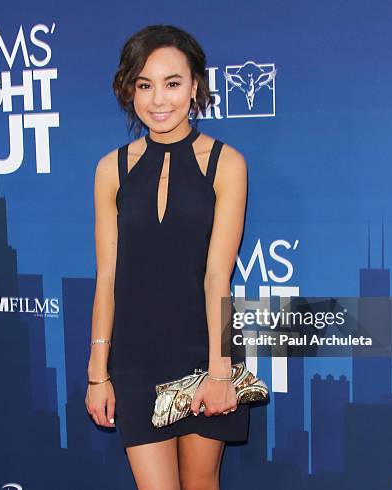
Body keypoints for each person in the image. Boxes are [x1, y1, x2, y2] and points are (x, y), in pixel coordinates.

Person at [85, 24, 249, 490]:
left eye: (172, 83)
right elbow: (107, 276)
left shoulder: (226, 163)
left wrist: (220, 370)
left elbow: (219, 275)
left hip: (203, 351)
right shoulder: (110, 169)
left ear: (195, 86)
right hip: (135, 357)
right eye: (145, 85)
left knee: (201, 482)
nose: (159, 99)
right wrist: (98, 374)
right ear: (130, 90)